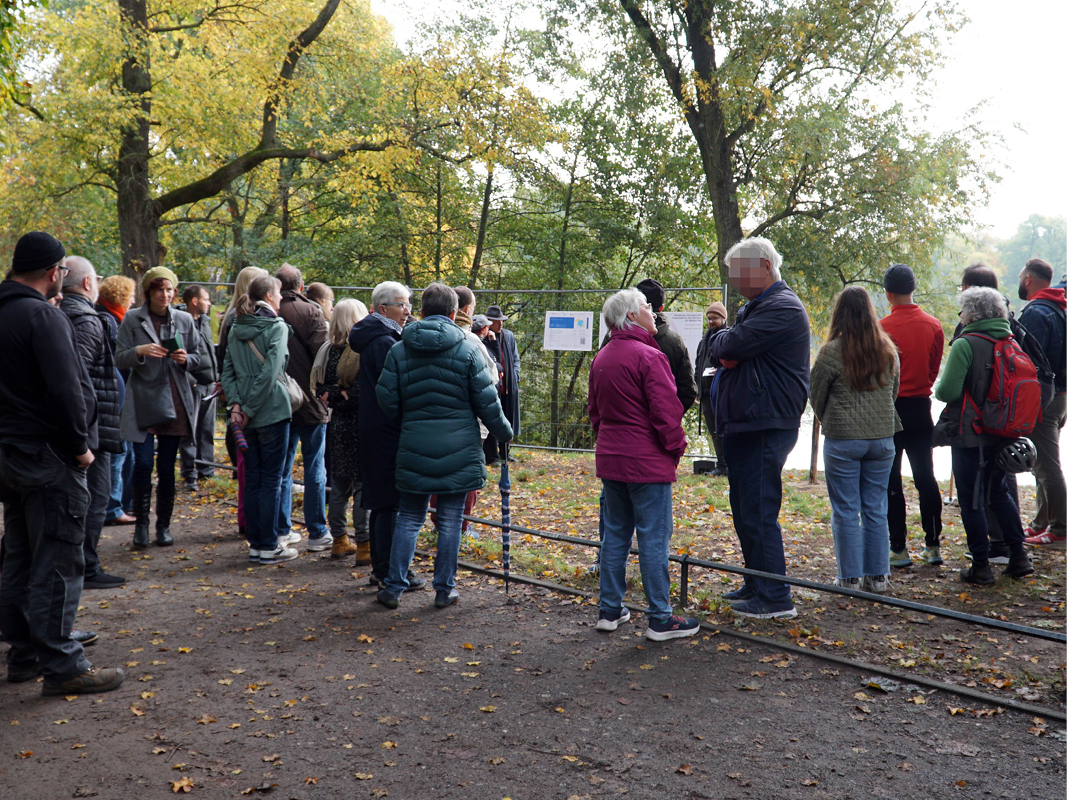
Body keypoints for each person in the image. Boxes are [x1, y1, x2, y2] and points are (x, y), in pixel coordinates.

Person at [0, 231, 125, 695]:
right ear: (55, 273)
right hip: (49, 456)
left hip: (11, 457)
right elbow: (67, 390)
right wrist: (81, 449)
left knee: (19, 553)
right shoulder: (40, 317)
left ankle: (24, 653)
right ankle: (63, 665)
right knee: (56, 557)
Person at [374, 283, 513, 610]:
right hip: (459, 450)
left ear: (420, 312)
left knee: (409, 517)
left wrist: (409, 417)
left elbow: (385, 397)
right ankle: (444, 589)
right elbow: (487, 401)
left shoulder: (399, 349)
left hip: (414, 446)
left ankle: (393, 587)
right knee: (450, 520)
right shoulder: (468, 350)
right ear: (456, 313)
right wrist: (503, 432)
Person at [708, 237, 809, 619]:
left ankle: (774, 596)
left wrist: (725, 345)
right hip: (749, 422)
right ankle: (756, 581)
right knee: (745, 507)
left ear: (764, 266)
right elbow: (719, 345)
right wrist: (724, 345)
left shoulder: (780, 307)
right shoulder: (757, 306)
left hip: (764, 423)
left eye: (739, 271)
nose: (733, 280)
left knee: (759, 508)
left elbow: (729, 344)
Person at [588, 288, 698, 640]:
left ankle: (610, 609)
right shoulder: (649, 357)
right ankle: (661, 618)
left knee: (615, 535)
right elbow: (667, 414)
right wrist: (676, 449)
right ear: (631, 316)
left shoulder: (601, 357)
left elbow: (595, 414)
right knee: (653, 539)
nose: (653, 312)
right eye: (647, 307)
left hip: (612, 459)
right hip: (647, 463)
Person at [933, 287, 1034, 583]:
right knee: (999, 493)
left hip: (971, 435)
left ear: (973, 312)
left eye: (962, 310)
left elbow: (947, 391)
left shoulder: (966, 344)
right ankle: (1019, 556)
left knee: (972, 500)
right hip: (1004, 434)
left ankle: (981, 566)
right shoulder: (1011, 340)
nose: (961, 316)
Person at [810, 286, 901, 593]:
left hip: (843, 440)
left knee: (847, 509)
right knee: (875, 507)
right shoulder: (887, 348)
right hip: (883, 440)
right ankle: (878, 577)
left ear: (839, 313)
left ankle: (849, 578)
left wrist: (830, 418)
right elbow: (894, 392)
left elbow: (816, 395)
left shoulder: (830, 351)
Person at [115, 266, 200, 549]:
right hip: (142, 400)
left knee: (166, 467)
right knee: (142, 463)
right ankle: (141, 526)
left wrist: (186, 359)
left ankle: (162, 526)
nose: (164, 295)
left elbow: (202, 359)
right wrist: (139, 352)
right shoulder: (132, 318)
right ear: (148, 292)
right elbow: (118, 358)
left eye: (169, 290)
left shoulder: (185, 319)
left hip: (175, 400)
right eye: (158, 289)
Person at [349, 281, 425, 589]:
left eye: (408, 304)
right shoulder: (383, 342)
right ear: (384, 309)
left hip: (377, 429)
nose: (408, 310)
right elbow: (394, 389)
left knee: (383, 503)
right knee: (388, 504)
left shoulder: (380, 335)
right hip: (385, 431)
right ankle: (390, 572)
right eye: (402, 305)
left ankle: (383, 569)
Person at [221, 275, 298, 565]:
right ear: (269, 294)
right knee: (271, 480)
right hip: (271, 412)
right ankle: (269, 545)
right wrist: (250, 408)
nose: (281, 299)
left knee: (252, 479)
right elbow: (270, 374)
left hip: (244, 416)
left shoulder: (237, 325)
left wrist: (237, 405)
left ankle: (256, 544)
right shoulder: (276, 327)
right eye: (278, 294)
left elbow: (227, 371)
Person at [60, 257, 127, 590]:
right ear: (87, 283)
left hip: (84, 428)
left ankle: (84, 565)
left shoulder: (58, 313)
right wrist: (82, 436)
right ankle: (85, 567)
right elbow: (76, 379)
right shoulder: (86, 319)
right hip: (90, 431)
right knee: (95, 498)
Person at [878, 263, 945, 567]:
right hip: (920, 407)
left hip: (891, 408)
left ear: (888, 293)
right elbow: (933, 369)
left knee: (891, 479)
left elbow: (878, 373)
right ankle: (932, 545)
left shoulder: (881, 328)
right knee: (925, 477)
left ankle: (898, 548)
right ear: (913, 288)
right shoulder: (933, 325)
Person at [429, 286, 496, 538]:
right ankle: (461, 528)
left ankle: (439, 524)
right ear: (465, 310)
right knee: (466, 477)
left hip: (429, 421)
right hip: (466, 423)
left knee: (436, 472)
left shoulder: (414, 339)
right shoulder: (471, 341)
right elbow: (489, 383)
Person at [275, 264, 331, 551]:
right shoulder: (311, 311)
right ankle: (317, 531)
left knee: (282, 468)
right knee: (314, 467)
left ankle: (281, 529)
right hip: (309, 402)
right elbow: (322, 355)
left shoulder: (269, 310)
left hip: (278, 401)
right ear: (301, 285)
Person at [315, 298, 371, 562]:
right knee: (361, 486)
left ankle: (338, 541)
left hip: (337, 426)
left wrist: (335, 394)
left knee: (338, 486)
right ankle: (364, 546)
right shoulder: (361, 351)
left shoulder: (328, 350)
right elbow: (359, 394)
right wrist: (344, 394)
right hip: (360, 425)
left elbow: (321, 389)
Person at [1017, 258, 1066, 549]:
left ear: (1028, 280)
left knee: (1047, 466)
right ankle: (1041, 523)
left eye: (1023, 276)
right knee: (1041, 462)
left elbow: (1025, 362)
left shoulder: (1036, 312)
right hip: (1061, 396)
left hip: (1043, 399)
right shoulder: (1060, 308)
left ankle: (1060, 529)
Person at [218, 266, 269, 538]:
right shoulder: (245, 319)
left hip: (237, 397)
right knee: (248, 464)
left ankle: (247, 519)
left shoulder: (231, 317)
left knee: (246, 464)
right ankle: (249, 521)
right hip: (247, 400)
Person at [97, 275, 138, 527]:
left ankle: (121, 502)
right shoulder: (111, 322)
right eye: (130, 295)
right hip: (114, 399)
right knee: (120, 452)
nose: (133, 300)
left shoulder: (113, 318)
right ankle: (113, 507)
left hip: (116, 396)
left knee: (125, 451)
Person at [636, 278, 698, 412]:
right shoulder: (675, 341)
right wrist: (670, 418)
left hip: (625, 423)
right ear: (662, 307)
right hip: (663, 422)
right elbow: (688, 390)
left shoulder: (615, 337)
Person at [178, 284, 219, 491]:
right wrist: (189, 379)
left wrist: (216, 378)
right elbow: (175, 355)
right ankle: (189, 473)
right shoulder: (179, 324)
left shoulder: (205, 322)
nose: (209, 302)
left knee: (207, 429)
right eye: (206, 299)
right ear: (194, 301)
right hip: (192, 386)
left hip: (209, 385)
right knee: (190, 431)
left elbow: (210, 352)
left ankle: (206, 470)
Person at [693, 300, 729, 475]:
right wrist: (697, 389)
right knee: (713, 431)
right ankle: (721, 466)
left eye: (714, 318)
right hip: (706, 393)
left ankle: (729, 465)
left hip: (722, 393)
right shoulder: (704, 341)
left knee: (724, 430)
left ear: (723, 318)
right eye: (708, 318)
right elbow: (698, 365)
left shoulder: (728, 338)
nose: (711, 322)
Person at [481, 304, 520, 465]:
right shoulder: (483, 338)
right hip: (493, 386)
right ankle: (492, 455)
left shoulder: (508, 336)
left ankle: (505, 452)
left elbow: (516, 359)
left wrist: (515, 376)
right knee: (493, 418)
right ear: (489, 322)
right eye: (497, 321)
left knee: (508, 417)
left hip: (509, 386)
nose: (501, 324)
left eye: (502, 320)